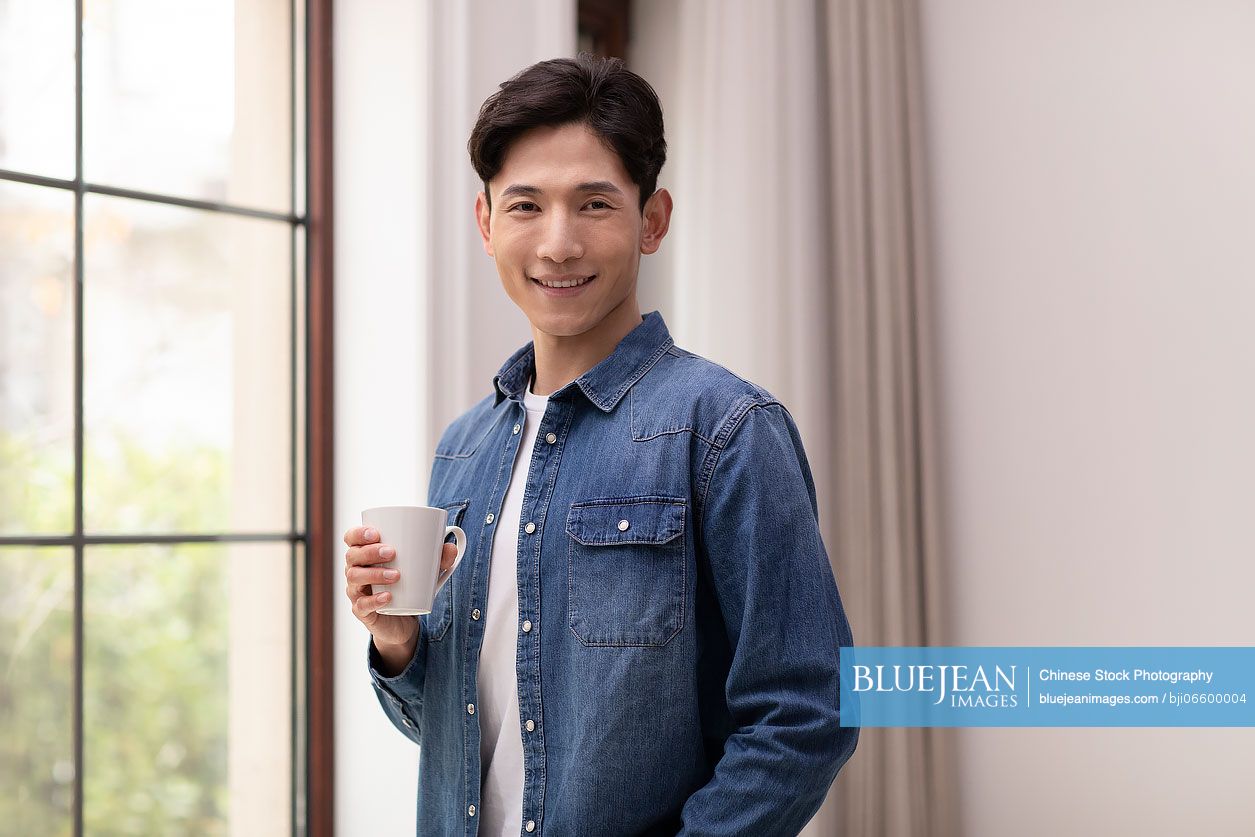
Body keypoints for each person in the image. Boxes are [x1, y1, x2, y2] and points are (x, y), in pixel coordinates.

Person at [343, 53, 858, 837]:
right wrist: (398, 641)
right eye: (525, 206)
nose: (557, 244)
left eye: (593, 204)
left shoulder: (725, 427)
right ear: (485, 223)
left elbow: (808, 712)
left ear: (651, 221)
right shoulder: (463, 447)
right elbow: (455, 734)